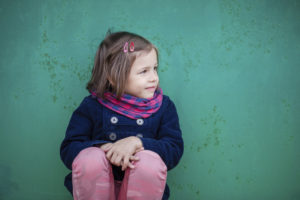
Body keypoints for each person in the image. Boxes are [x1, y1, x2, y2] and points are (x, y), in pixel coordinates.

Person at [60, 30, 184, 200]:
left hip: (143, 190)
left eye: (155, 69)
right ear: (113, 77)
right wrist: (101, 148)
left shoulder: (164, 106)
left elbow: (174, 149)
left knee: (149, 162)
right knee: (90, 158)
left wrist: (138, 142)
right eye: (144, 71)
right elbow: (68, 149)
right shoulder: (92, 106)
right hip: (96, 190)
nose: (154, 78)